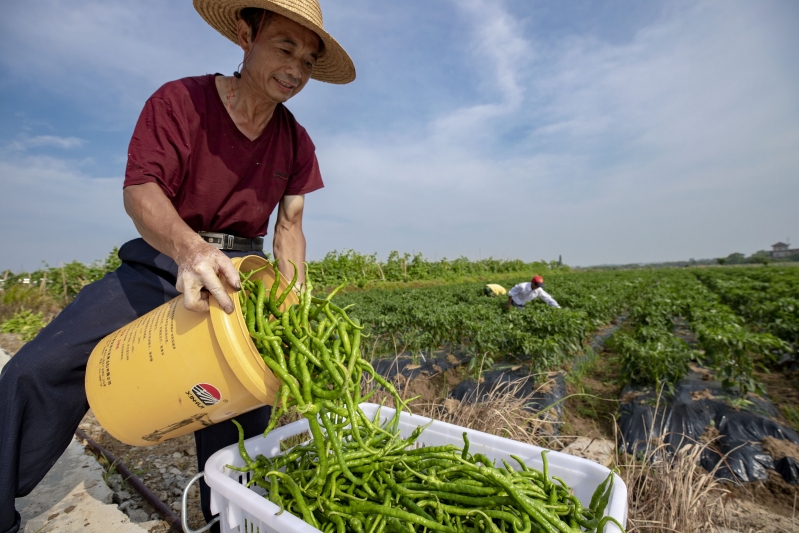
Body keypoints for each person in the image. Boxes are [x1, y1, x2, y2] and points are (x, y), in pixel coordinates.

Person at [0, 2, 355, 532]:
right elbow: (141, 190)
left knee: (241, 419)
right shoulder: (180, 101)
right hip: (163, 259)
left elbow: (290, 227)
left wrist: (292, 294)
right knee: (39, 369)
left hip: (240, 279)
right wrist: (190, 251)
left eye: (307, 61)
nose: (296, 69)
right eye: (285, 48)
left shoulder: (296, 140)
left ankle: (226, 522)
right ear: (245, 36)